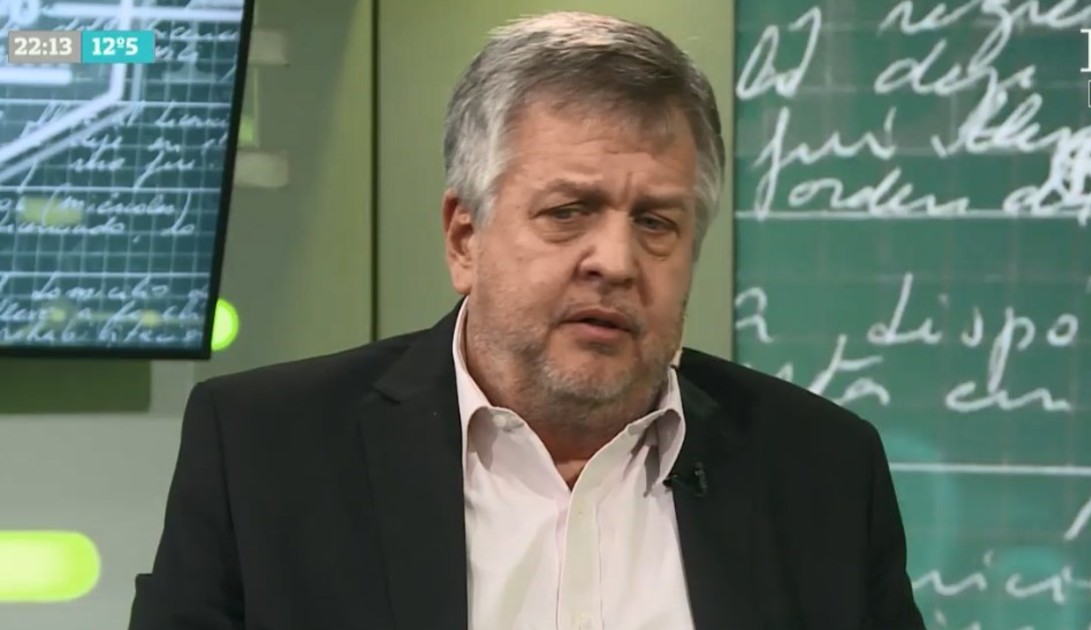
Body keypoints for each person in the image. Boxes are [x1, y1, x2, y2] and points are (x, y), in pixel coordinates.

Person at [128, 11, 926, 630]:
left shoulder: (822, 470)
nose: (615, 261)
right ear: (464, 238)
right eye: (568, 211)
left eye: (656, 222)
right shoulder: (266, 451)